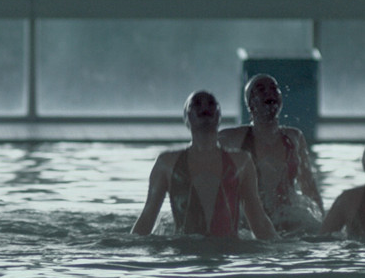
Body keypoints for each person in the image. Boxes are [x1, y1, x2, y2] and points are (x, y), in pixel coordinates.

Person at [132, 90, 278, 240]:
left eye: (211, 103)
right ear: (186, 117)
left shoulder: (241, 162)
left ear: (219, 116)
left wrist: (280, 249)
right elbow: (147, 218)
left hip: (228, 251)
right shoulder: (167, 163)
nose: (205, 107)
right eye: (196, 104)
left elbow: (259, 221)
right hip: (185, 251)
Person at [219, 74, 323, 234]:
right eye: (261, 89)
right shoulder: (232, 138)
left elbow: (309, 188)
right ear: (250, 103)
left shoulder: (294, 138)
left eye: (274, 88)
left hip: (286, 220)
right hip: (248, 223)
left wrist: (324, 225)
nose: (270, 92)